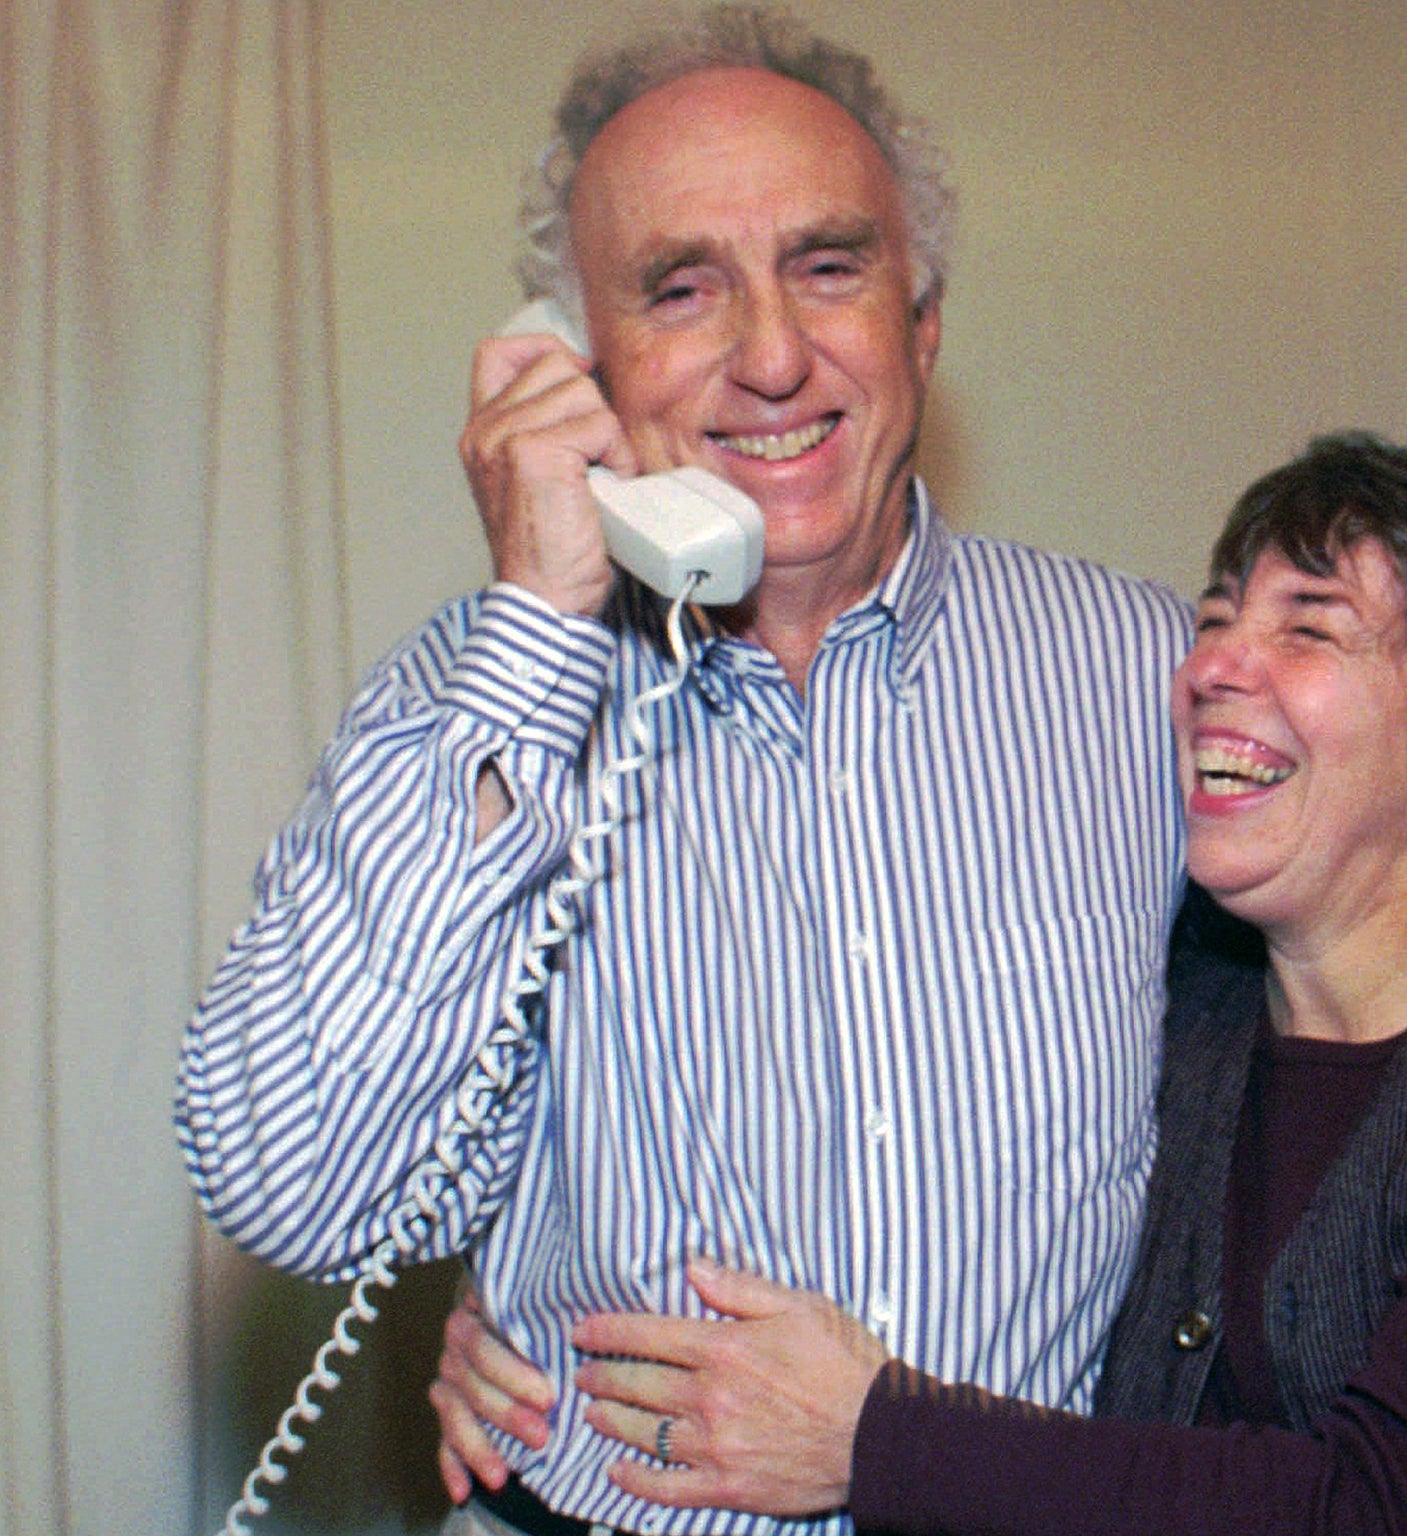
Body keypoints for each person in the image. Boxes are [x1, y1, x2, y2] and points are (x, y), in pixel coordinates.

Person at [437, 434, 1407, 1534]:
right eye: (1218, 616)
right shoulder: (1178, 1008)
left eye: (1310, 626)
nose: (1214, 662)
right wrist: (527, 1299)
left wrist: (874, 1437)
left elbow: (1404, 1508)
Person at [176, 9, 1188, 1536]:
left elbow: (1332, 1098)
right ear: (576, 362)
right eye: (681, 288)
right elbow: (297, 1184)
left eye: (829, 267)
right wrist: (538, 626)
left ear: (922, 323)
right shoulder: (478, 695)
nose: (772, 357)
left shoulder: (1146, 672)